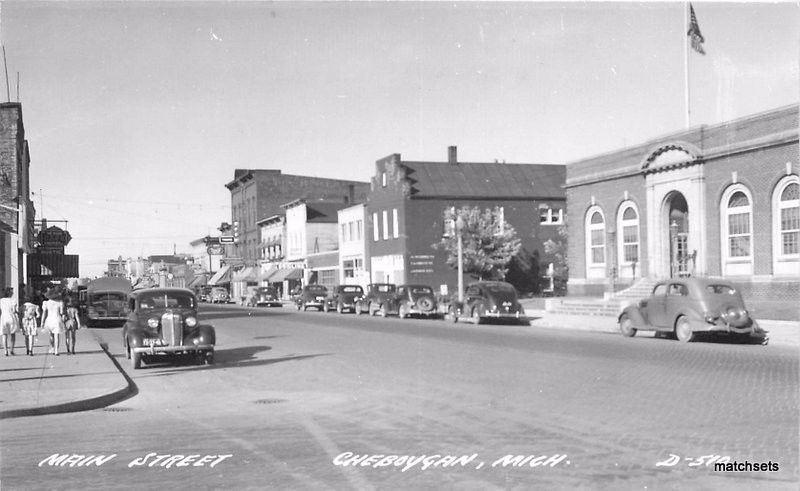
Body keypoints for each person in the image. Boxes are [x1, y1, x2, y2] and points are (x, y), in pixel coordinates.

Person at [41, 288, 65, 356]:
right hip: (57, 319)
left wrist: (42, 322)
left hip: (49, 320)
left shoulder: (46, 303)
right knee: (57, 335)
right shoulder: (60, 302)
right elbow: (61, 312)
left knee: (51, 335)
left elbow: (44, 313)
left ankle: (52, 347)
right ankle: (56, 351)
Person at [0, 287, 19, 356]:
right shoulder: (13, 300)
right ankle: (11, 350)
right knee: (12, 334)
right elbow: (14, 311)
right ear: (9, 293)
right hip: (11, 318)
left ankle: (5, 351)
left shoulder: (1, 300)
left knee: (4, 335)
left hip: (4, 318)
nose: (13, 293)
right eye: (12, 292)